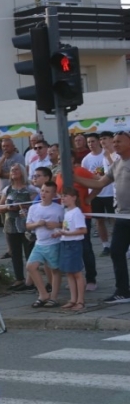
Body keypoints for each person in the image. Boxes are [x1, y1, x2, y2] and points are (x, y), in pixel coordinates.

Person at [78, 130, 130, 303]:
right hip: (122, 216)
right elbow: (100, 183)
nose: (115, 144)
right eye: (114, 142)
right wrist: (75, 178)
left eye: (119, 141)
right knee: (116, 252)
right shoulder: (117, 164)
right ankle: (123, 291)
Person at [0, 164, 37, 291]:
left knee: (29, 252)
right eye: (12, 170)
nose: (13, 171)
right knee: (15, 253)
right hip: (11, 224)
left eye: (16, 169)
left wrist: (24, 207)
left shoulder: (30, 188)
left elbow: (35, 205)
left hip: (26, 224)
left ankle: (32, 279)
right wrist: (8, 207)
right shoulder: (7, 189)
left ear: (22, 172)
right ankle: (19, 278)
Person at [27, 181, 65, 309]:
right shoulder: (34, 208)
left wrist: (57, 225)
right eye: (42, 190)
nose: (43, 194)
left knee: (55, 270)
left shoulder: (58, 208)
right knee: (31, 266)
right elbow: (28, 225)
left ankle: (54, 297)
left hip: (53, 243)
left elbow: (66, 224)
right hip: (39, 243)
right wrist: (37, 224)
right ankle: (43, 294)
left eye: (47, 192)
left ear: (53, 194)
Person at [54, 187, 87, 311]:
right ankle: (73, 299)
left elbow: (83, 230)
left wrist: (67, 233)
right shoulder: (67, 212)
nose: (63, 198)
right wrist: (60, 233)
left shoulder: (77, 212)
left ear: (74, 197)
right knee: (69, 272)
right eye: (62, 196)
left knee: (76, 273)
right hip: (66, 243)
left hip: (73, 244)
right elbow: (67, 229)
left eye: (66, 196)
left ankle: (80, 300)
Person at [81, 133, 113, 256]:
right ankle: (105, 245)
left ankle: (120, 244)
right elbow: (85, 176)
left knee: (115, 220)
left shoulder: (107, 154)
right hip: (95, 194)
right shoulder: (86, 159)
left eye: (93, 141)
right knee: (99, 220)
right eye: (88, 142)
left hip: (110, 192)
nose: (91, 144)